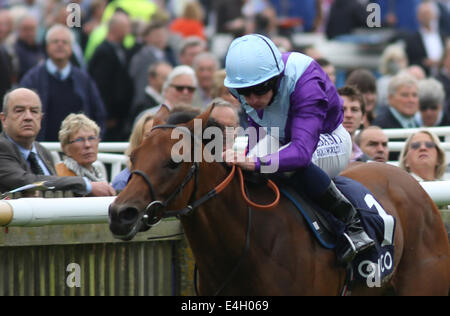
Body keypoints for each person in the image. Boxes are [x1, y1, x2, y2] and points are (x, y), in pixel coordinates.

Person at [223, 34, 374, 265]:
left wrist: (255, 162)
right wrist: (249, 160)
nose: (252, 99)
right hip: (283, 137)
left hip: (327, 138)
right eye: (246, 92)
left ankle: (352, 223)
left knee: (286, 167)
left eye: (260, 90)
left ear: (275, 78)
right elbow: (257, 123)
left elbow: (302, 153)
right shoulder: (243, 85)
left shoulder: (306, 81)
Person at [0, 88, 115, 196]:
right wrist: (86, 185)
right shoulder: (2, 147)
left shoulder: (43, 151)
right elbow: (27, 182)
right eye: (19, 111)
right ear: (4, 119)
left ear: (40, 118)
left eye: (34, 111)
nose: (28, 117)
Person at [20, 24, 106, 142]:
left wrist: (92, 140)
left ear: (71, 48)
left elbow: (99, 114)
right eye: (55, 41)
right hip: (43, 148)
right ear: (47, 46)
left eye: (64, 42)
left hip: (77, 151)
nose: (60, 45)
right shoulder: (32, 79)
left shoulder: (83, 79)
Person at [88, 11, 133, 141]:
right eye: (126, 27)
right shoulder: (104, 52)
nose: (129, 31)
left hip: (118, 118)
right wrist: (107, 116)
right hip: (109, 120)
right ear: (117, 28)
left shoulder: (119, 48)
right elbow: (101, 86)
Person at [56, 113, 108, 183]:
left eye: (91, 138)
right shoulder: (59, 176)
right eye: (79, 140)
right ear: (65, 148)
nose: (87, 145)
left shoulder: (97, 174)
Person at [112, 113, 154, 192]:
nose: (155, 140)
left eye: (158, 135)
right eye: (148, 135)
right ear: (138, 140)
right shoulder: (123, 181)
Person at [338, 86, 370, 162]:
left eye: (354, 110)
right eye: (342, 109)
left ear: (363, 118)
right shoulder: (317, 155)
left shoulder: (368, 162)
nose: (349, 115)